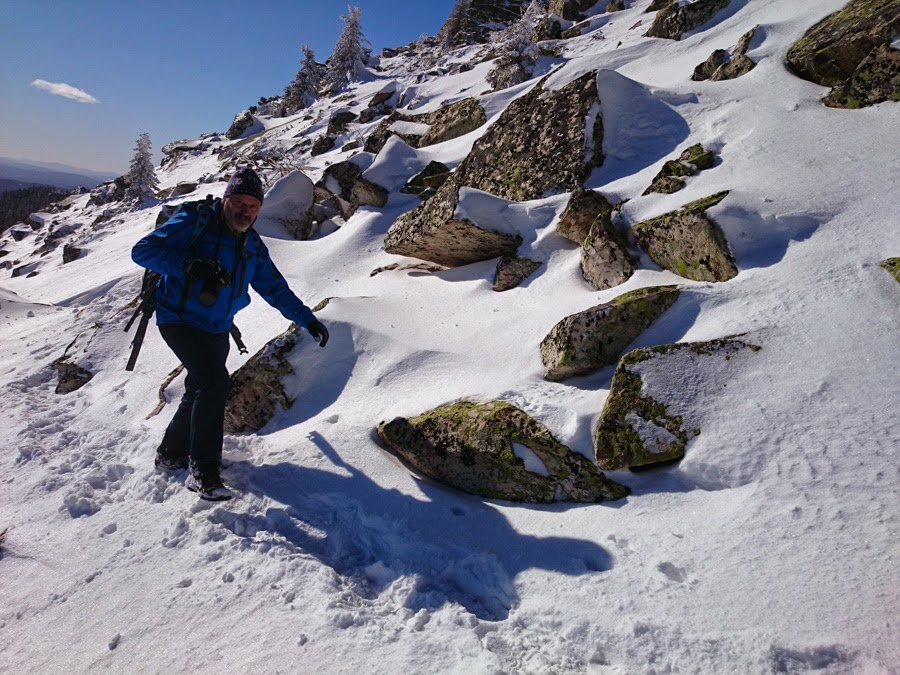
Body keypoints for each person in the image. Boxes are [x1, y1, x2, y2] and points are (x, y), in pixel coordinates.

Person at [131, 167, 328, 501]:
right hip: (177, 319)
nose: (245, 211)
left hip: (217, 328)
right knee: (214, 382)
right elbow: (143, 251)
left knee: (198, 387)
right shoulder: (195, 222)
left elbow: (275, 288)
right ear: (226, 200)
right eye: (238, 201)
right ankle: (203, 472)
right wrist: (188, 264)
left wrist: (307, 320)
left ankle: (170, 453)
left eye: (253, 205)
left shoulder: (252, 245)